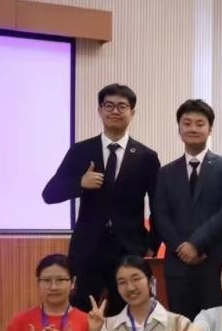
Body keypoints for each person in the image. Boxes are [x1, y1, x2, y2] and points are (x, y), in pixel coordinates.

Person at [41, 83, 159, 315]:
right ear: (100, 110)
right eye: (109, 105)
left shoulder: (146, 156)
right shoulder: (81, 150)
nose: (115, 111)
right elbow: (50, 193)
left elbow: (158, 205)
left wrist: (152, 245)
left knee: (126, 314)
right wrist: (79, 183)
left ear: (132, 113)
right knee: (81, 313)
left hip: (129, 249)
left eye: (122, 106)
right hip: (88, 248)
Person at [152, 98, 222, 320]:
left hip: (216, 261)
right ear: (179, 129)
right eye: (187, 123)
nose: (193, 128)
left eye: (200, 123)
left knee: (218, 326)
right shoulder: (165, 173)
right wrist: (181, 248)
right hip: (178, 265)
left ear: (210, 129)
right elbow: (160, 215)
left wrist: (196, 244)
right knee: (182, 327)